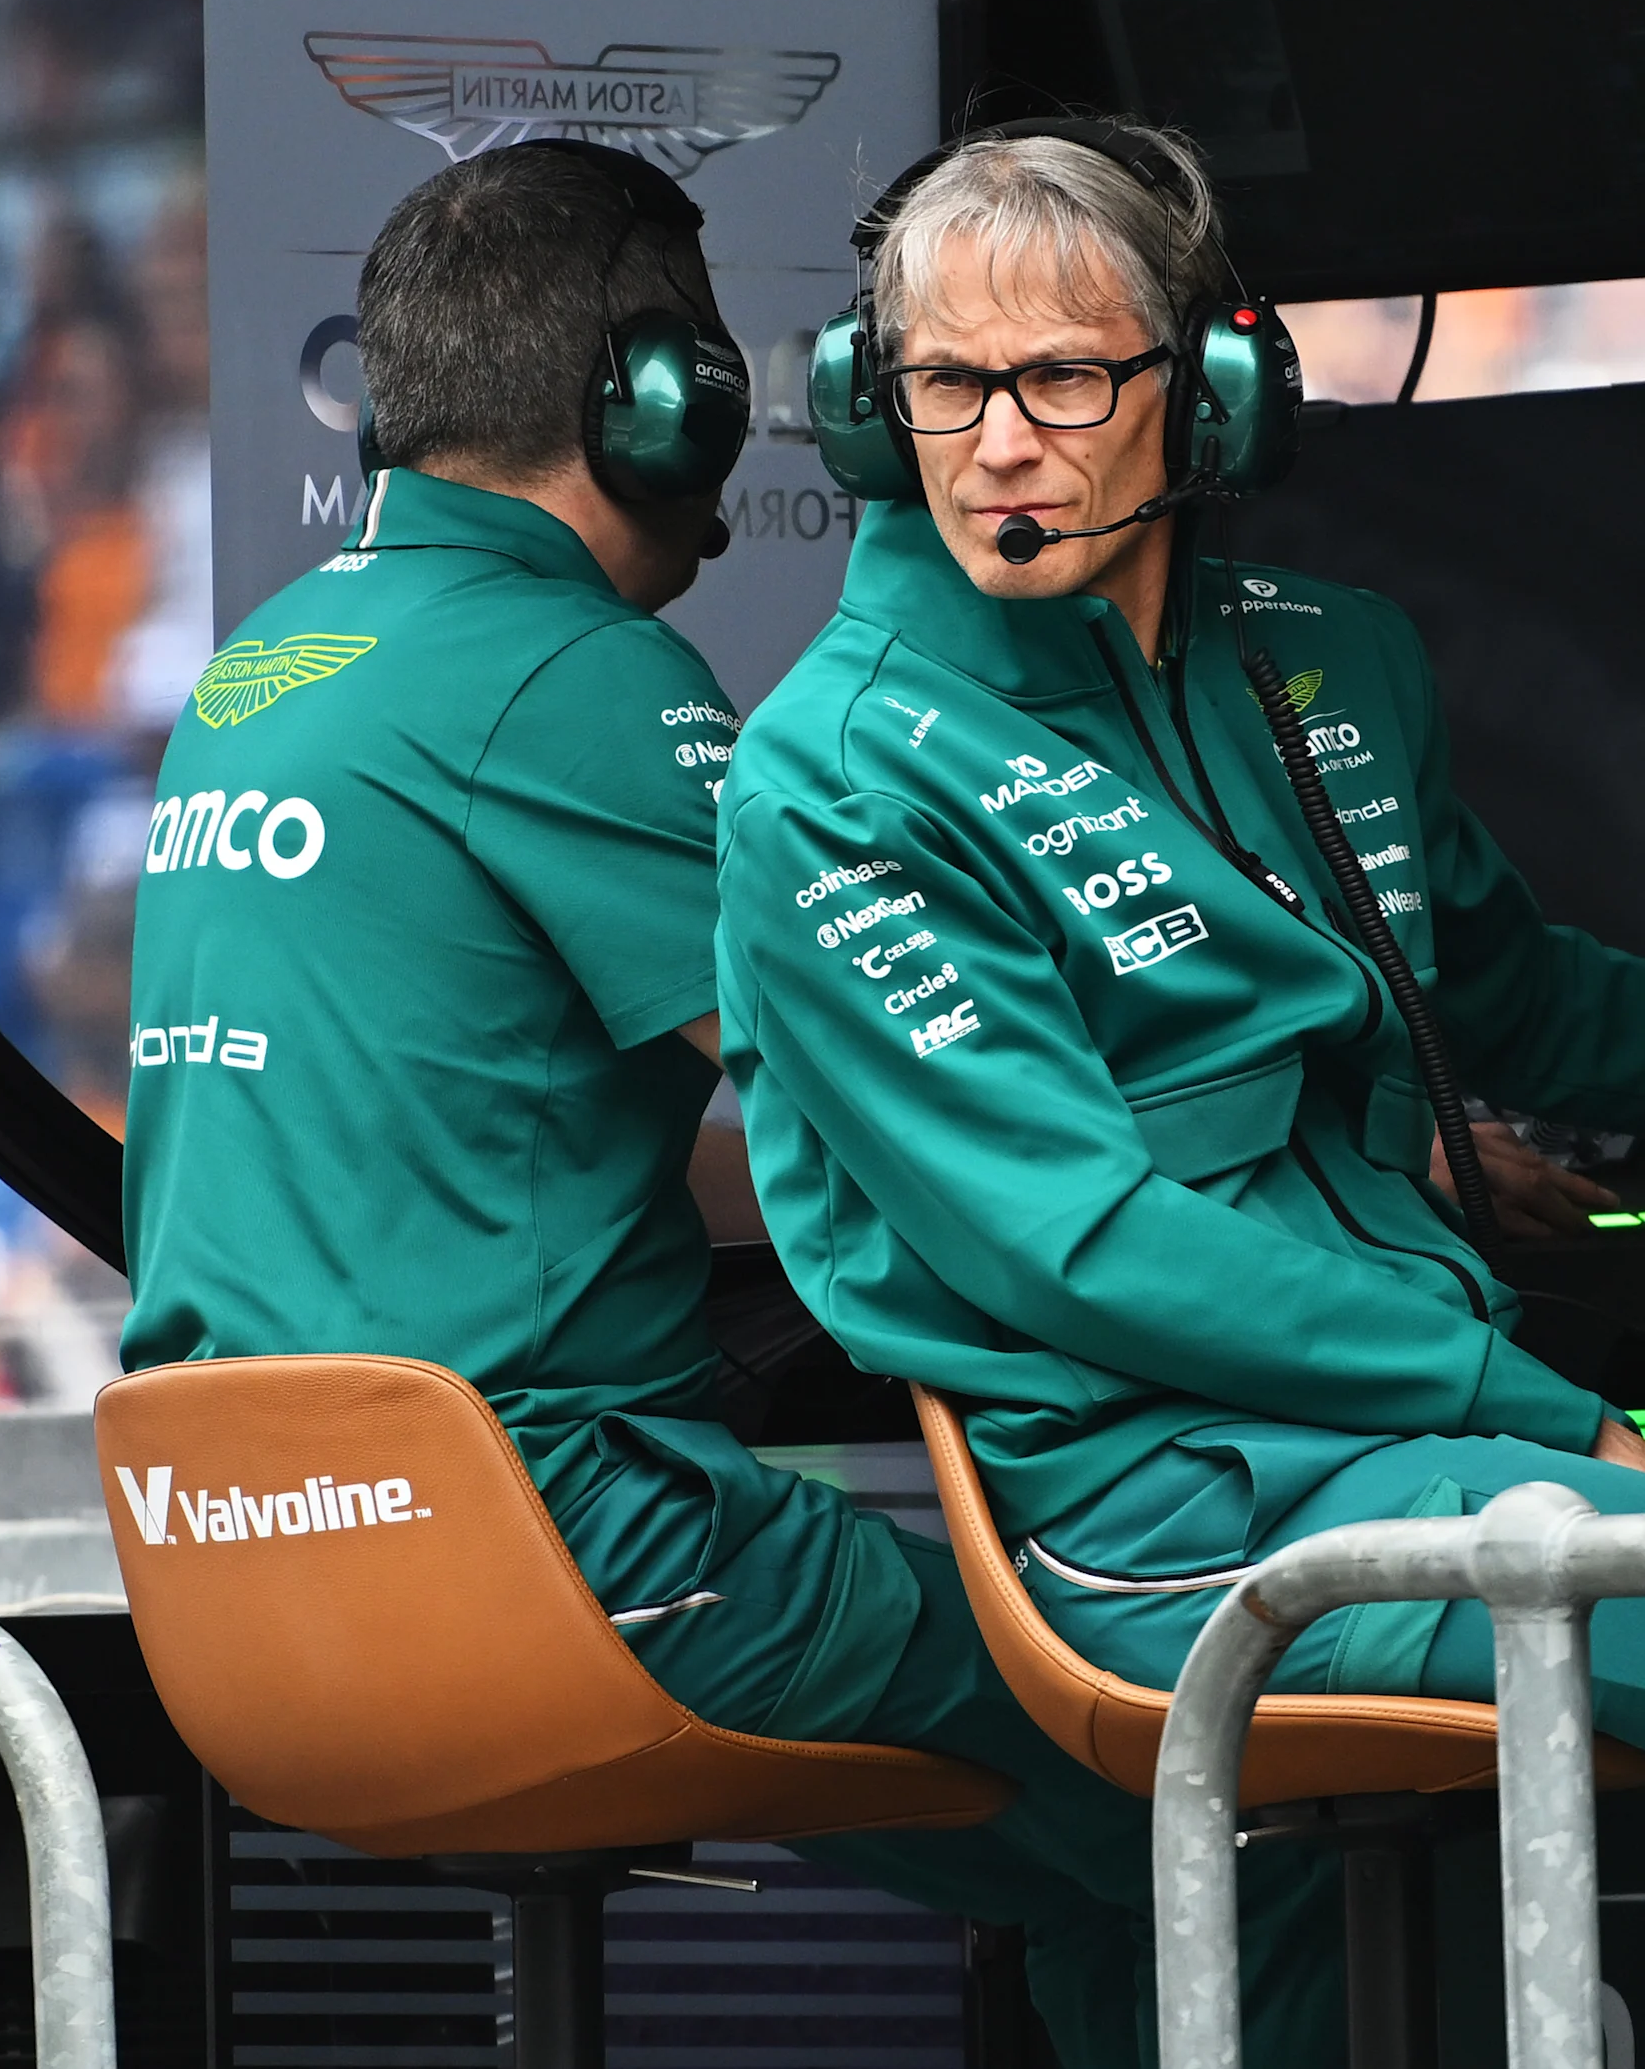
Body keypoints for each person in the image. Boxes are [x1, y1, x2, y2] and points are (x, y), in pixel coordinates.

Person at [716, 118, 1645, 2069]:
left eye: (1068, 374)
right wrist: (1556, 1409)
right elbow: (1083, 1244)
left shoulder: (1324, 665)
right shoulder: (835, 774)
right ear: (866, 407)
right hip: (1162, 1500)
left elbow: (1513, 994)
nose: (1001, 439)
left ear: (1214, 390)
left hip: (1412, 1430)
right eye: (945, 382)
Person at [118, 139, 1270, 2069]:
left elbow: (487, 1131)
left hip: (250, 1575)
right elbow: (912, 1091)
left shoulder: (259, 672)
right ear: (662, 406)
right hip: (552, 1553)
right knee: (1200, 1783)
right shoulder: (567, 678)